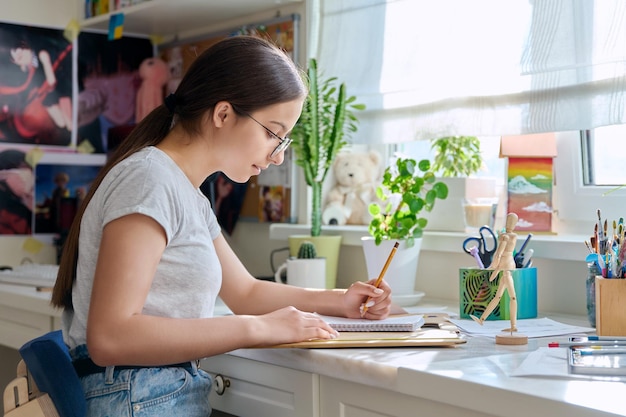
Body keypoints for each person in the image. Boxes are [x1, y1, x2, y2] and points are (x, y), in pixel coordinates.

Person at [51, 36, 392, 417]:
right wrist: (257, 329)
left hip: (154, 394)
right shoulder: (150, 181)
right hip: (137, 397)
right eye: (273, 134)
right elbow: (111, 336)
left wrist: (339, 299)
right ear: (224, 114)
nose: (277, 156)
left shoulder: (186, 192)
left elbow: (244, 291)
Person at [470, 212, 519, 332]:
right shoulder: (514, 236)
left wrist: (493, 267)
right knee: (497, 297)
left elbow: (499, 253)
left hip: (505, 267)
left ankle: (513, 326)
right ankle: (482, 319)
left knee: (512, 297)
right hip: (509, 265)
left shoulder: (505, 236)